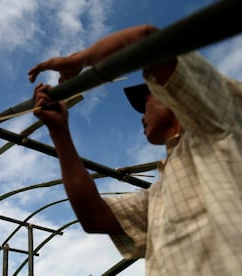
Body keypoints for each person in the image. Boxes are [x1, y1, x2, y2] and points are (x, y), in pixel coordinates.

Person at [29, 25, 242, 275]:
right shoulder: (161, 192)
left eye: (145, 102)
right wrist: (59, 133)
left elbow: (145, 39)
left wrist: (76, 62)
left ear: (169, 96)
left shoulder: (219, 119)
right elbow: (95, 217)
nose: (141, 117)